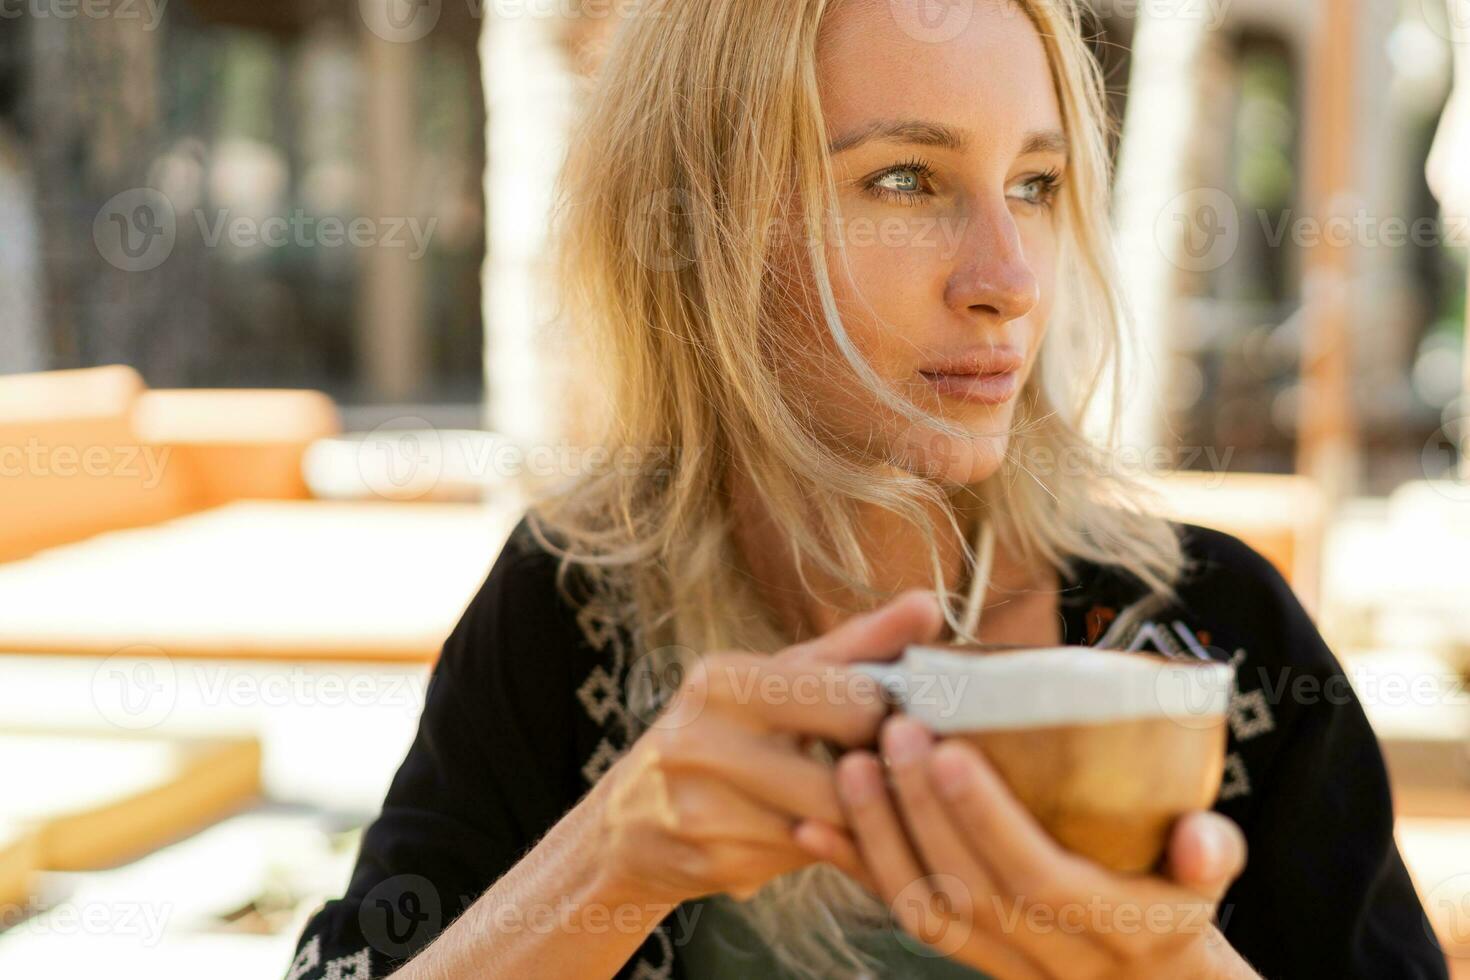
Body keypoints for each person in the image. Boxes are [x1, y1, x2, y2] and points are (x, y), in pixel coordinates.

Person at [285, 0, 1447, 976]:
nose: (1006, 279)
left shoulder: (1219, 640)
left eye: (1036, 183)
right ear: (705, 229)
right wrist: (612, 858)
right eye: (905, 178)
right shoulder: (576, 606)